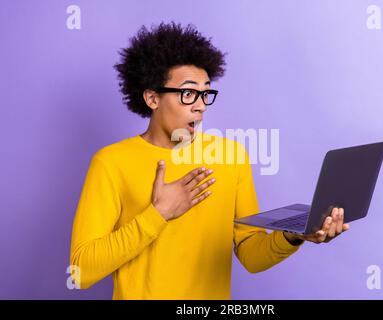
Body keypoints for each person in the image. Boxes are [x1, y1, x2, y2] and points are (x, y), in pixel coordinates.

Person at [69, 22, 349, 299]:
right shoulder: (111, 162)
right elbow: (81, 273)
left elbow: (251, 254)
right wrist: (157, 215)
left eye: (205, 93)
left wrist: (294, 235)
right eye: (188, 93)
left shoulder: (231, 157)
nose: (200, 105)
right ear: (152, 98)